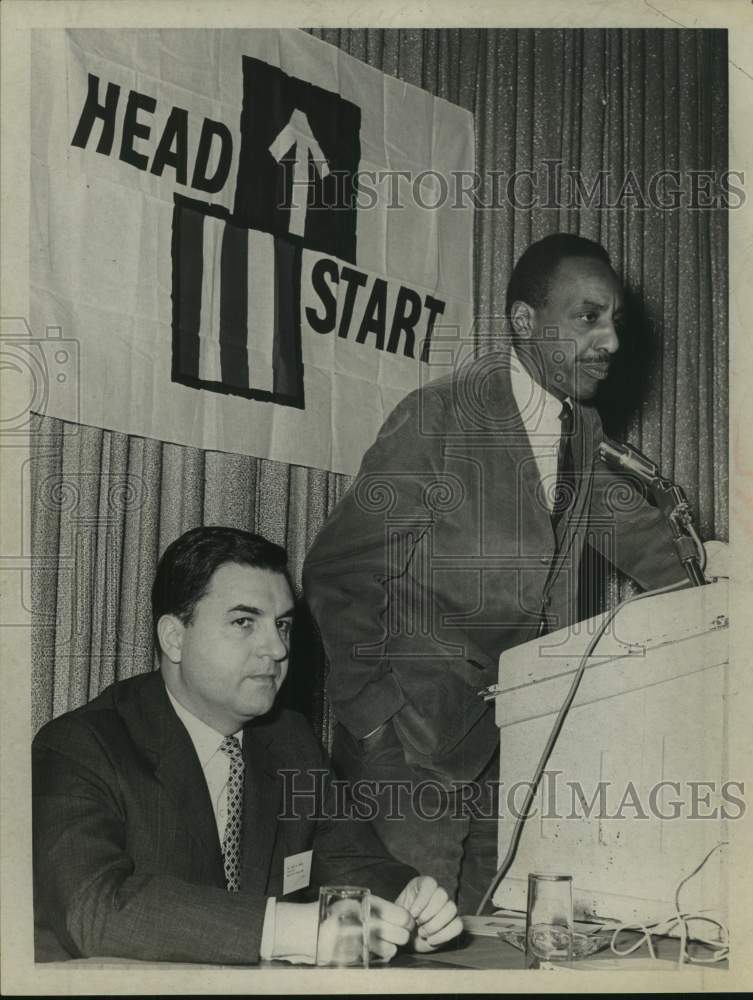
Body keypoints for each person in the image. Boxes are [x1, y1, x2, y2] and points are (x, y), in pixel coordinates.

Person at [302, 232, 727, 913]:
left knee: (489, 944)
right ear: (524, 321)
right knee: (402, 946)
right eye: (587, 317)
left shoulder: (581, 431)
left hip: (515, 745)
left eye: (614, 320)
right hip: (410, 751)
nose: (611, 341)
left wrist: (716, 591)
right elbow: (340, 572)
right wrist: (375, 722)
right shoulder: (439, 417)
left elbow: (645, 541)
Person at [32, 526, 462, 964]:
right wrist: (288, 929)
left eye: (282, 625)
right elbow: (93, 910)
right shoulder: (78, 747)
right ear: (174, 637)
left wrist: (407, 906)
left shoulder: (291, 742)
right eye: (244, 622)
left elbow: (354, 862)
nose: (276, 649)